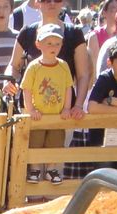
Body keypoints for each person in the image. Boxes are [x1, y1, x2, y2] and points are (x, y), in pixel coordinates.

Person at [22, 23, 72, 184]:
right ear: (38, 44)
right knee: (36, 142)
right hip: (39, 116)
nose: (53, 47)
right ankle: (35, 168)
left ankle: (51, 168)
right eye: (49, 43)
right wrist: (31, 110)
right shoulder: (34, 67)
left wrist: (66, 108)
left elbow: (68, 87)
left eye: (57, 44)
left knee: (56, 142)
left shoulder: (63, 66)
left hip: (57, 116)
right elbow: (27, 89)